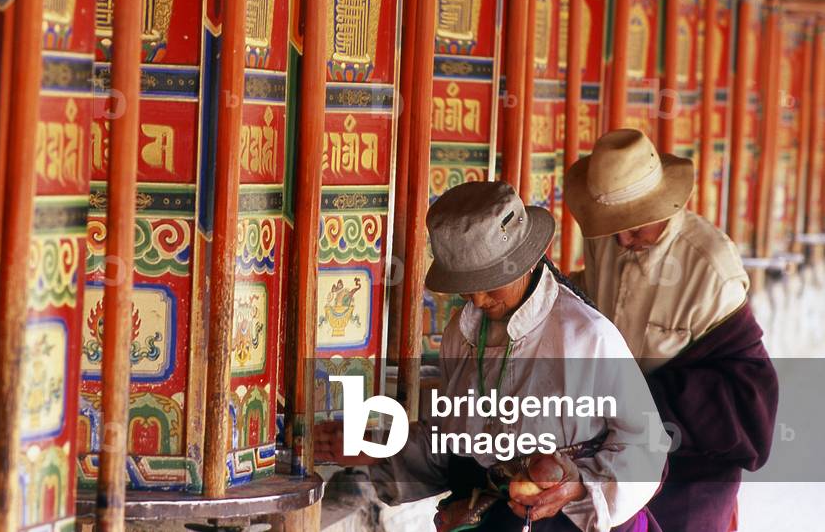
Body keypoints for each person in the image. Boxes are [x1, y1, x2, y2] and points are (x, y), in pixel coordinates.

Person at [316, 181, 667, 532]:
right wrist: (378, 446)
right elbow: (454, 439)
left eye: (490, 282)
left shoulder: (585, 336)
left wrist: (578, 489)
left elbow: (646, 442)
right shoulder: (462, 333)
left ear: (525, 262)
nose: (480, 300)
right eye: (468, 286)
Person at [564, 128, 779, 532]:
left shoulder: (710, 266)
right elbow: (589, 302)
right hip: (612, 439)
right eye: (615, 226)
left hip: (689, 457)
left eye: (635, 226)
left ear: (662, 204)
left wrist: (641, 401)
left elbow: (742, 390)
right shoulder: (608, 237)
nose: (623, 239)